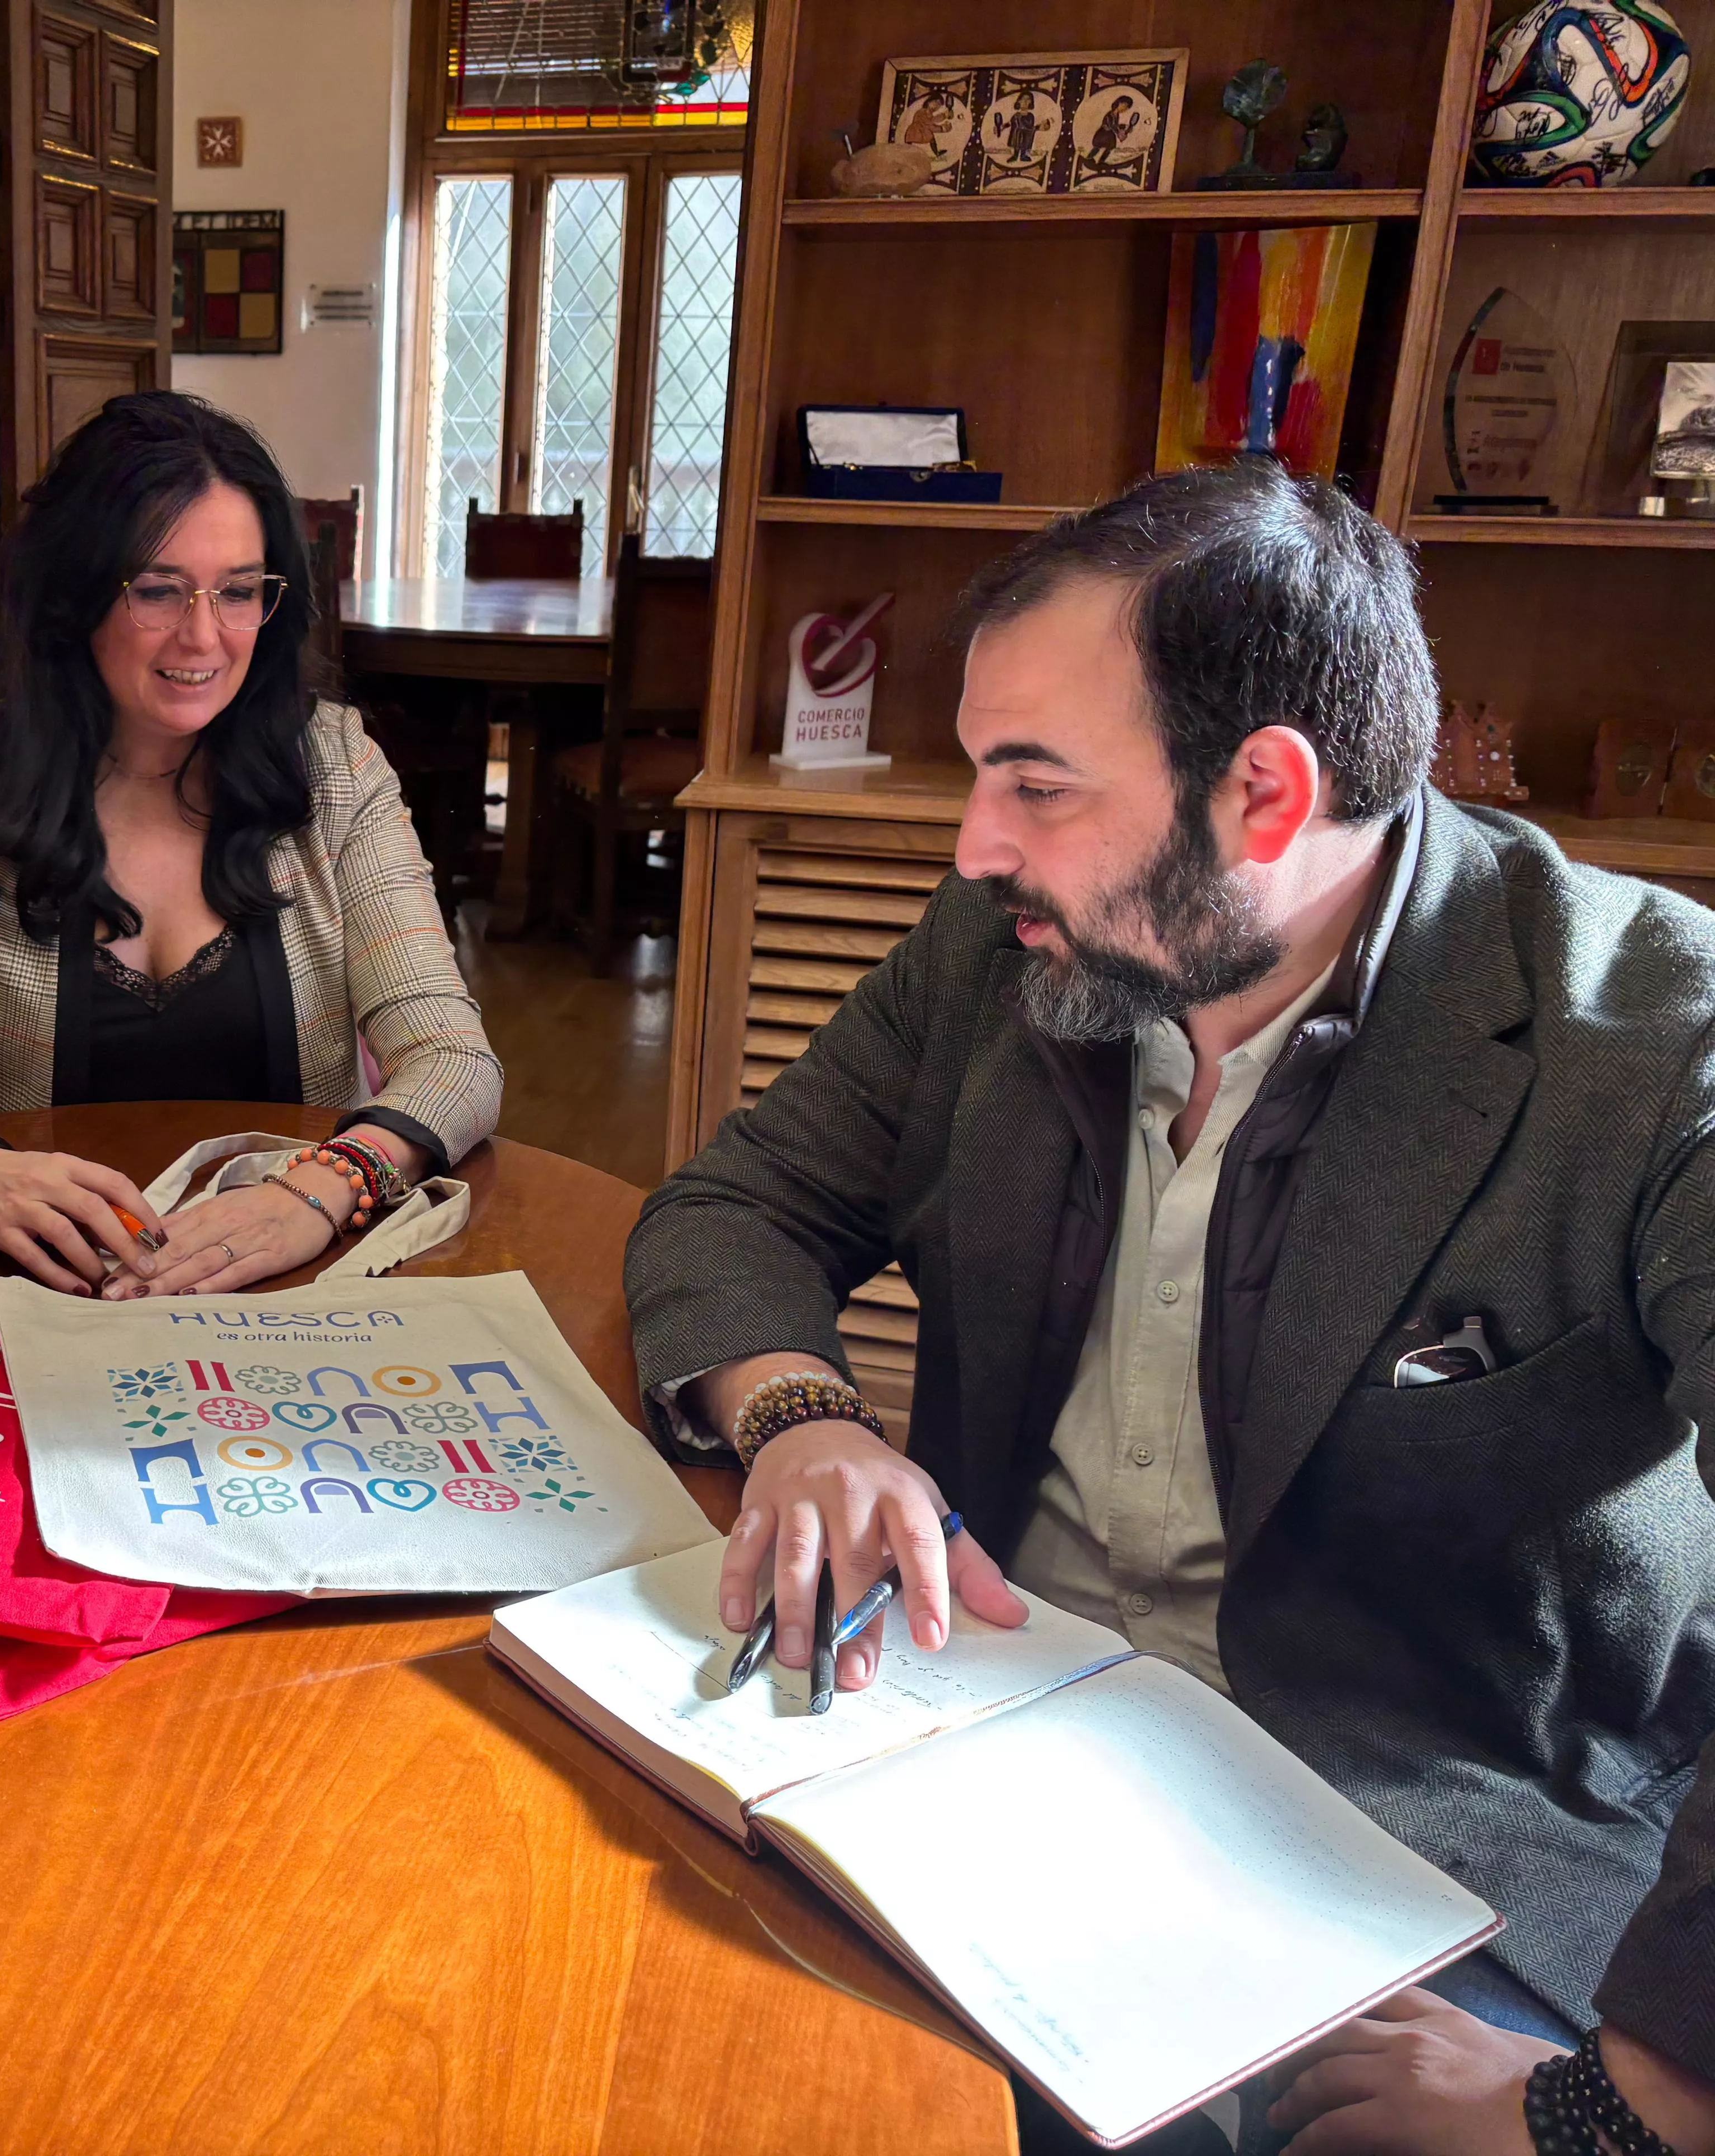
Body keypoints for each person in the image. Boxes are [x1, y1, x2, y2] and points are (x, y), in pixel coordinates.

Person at [624, 462, 1713, 2155]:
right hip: (963, 1724)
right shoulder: (1013, 948)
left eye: (1036, 786)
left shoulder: (1650, 1049)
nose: (976, 844)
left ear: (1266, 795)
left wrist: (1624, 2116)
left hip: (1429, 1840)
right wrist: (804, 1422)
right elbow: (740, 1203)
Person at [0, 392, 500, 1298]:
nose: (204, 637)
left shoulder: (336, 768)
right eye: (158, 590)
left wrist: (320, 1190)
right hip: (46, 1287)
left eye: (238, 592)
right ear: (75, 598)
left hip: (286, 1282)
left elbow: (455, 1060)